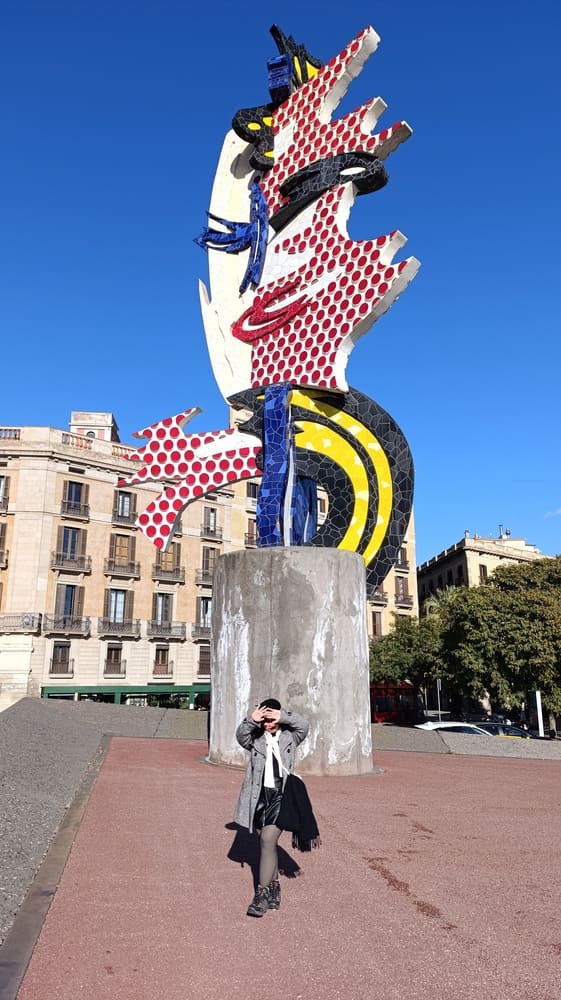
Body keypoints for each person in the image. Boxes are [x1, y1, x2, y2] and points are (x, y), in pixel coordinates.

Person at [234, 697, 309, 917]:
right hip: (258, 798)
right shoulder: (255, 740)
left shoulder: (290, 737)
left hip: (281, 796)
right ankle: (275, 888)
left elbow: (303, 725)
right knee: (266, 844)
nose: (268, 722)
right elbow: (241, 736)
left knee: (267, 840)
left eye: (272, 718)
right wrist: (251, 720)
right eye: (265, 719)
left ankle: (261, 895)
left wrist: (282, 715)